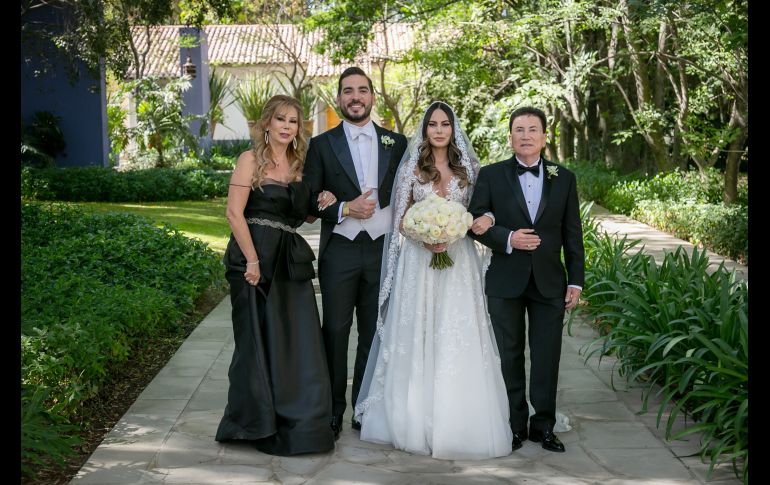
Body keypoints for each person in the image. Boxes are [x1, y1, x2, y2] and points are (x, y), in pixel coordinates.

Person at [353, 101, 513, 459]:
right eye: (432, 124)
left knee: (454, 332)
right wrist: (424, 236)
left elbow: (483, 211)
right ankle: (411, 418)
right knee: (420, 331)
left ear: (453, 129)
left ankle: (457, 419)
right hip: (417, 261)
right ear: (424, 129)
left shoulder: (470, 167)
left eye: (445, 124)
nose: (439, 130)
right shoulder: (412, 166)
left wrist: (456, 231)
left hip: (458, 261)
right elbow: (400, 219)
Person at [215, 94, 338, 455]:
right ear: (267, 123)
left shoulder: (299, 166)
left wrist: (323, 200)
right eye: (281, 119)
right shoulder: (249, 160)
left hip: (288, 263)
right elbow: (234, 214)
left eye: (294, 121)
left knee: (295, 341)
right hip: (252, 259)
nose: (287, 126)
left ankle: (298, 421)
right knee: (254, 341)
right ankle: (252, 424)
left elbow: (302, 215)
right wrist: (252, 261)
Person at [467, 106, 585, 453]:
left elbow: (572, 233)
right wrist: (507, 238)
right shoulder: (490, 175)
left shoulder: (564, 178)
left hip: (550, 281)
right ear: (510, 136)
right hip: (505, 280)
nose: (526, 135)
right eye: (519, 129)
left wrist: (575, 281)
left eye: (533, 129)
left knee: (547, 356)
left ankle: (543, 427)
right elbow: (475, 221)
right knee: (509, 354)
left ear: (544, 136)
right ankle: (514, 425)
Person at [302, 67, 408, 440]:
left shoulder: (398, 143)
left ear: (373, 97)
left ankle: (363, 406)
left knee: (372, 331)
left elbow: (411, 191)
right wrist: (344, 208)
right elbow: (309, 199)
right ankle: (332, 410)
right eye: (348, 91)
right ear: (339, 98)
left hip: (381, 250)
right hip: (340, 252)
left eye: (362, 90)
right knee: (334, 330)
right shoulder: (322, 144)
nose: (356, 97)